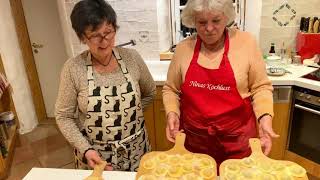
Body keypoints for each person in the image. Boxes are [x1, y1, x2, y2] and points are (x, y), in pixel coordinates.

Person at [163, 0, 279, 166]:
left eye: (216, 21)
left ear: (226, 17)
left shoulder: (246, 43)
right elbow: (171, 89)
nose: (209, 28)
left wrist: (265, 120)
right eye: (202, 22)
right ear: (193, 21)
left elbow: (260, 87)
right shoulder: (183, 49)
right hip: (195, 142)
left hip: (238, 141)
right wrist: (172, 113)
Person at [55, 0, 156, 171]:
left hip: (136, 151)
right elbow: (63, 116)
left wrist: (130, 115)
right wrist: (86, 149)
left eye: (108, 32)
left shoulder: (132, 58)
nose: (104, 41)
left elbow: (151, 93)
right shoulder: (73, 68)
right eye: (95, 35)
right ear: (82, 37)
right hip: (96, 157)